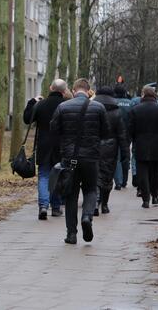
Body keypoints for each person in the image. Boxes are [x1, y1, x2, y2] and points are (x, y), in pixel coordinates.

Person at [50, 78, 108, 244]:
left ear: (74, 90)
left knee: (71, 195)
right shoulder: (99, 108)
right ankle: (87, 217)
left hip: (70, 158)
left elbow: (54, 130)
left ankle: (71, 234)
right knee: (90, 189)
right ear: (88, 91)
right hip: (91, 157)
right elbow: (105, 132)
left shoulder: (63, 107)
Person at [23, 79, 69, 220]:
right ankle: (55, 208)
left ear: (50, 87)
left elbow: (26, 119)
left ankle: (43, 206)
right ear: (64, 91)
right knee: (58, 176)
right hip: (61, 147)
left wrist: (32, 102)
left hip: (43, 145)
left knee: (44, 176)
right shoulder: (67, 106)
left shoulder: (41, 105)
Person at [128, 85, 158, 208]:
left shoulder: (135, 110)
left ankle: (145, 199)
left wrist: (134, 138)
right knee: (156, 171)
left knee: (142, 172)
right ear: (154, 96)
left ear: (143, 96)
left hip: (141, 144)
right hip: (157, 145)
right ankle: (155, 196)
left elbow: (130, 128)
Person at [93, 86, 129, 215]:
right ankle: (105, 205)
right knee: (108, 176)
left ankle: (96, 202)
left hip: (94, 145)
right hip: (111, 147)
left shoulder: (92, 108)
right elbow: (122, 134)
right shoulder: (116, 111)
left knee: (95, 175)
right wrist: (125, 152)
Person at [113, 84, 133, 190]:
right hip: (127, 134)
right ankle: (124, 180)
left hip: (115, 133)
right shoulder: (130, 104)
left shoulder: (112, 102)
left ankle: (118, 181)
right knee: (126, 156)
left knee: (117, 157)